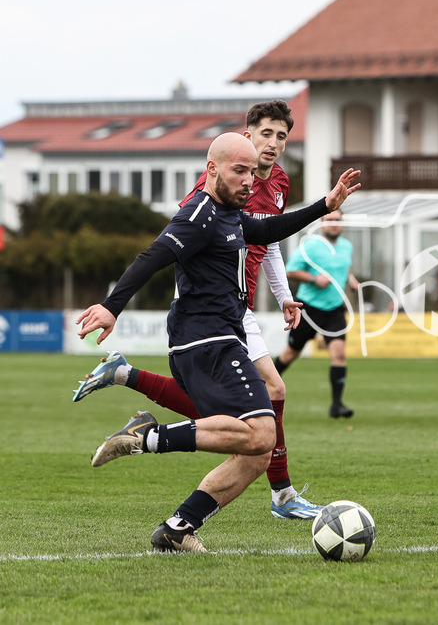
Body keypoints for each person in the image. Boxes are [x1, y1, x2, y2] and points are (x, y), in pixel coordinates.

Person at [75, 132, 361, 553]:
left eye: (252, 172)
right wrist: (111, 306)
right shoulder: (199, 214)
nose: (249, 180)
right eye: (239, 171)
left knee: (257, 451)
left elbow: (268, 228)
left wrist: (325, 205)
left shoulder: (231, 213)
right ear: (212, 169)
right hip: (205, 340)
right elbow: (152, 256)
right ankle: (146, 436)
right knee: (261, 431)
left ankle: (176, 530)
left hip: (219, 338)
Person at [273, 210, 360, 418]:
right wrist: (314, 279)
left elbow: (345, 268)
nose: (334, 223)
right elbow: (289, 271)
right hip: (309, 309)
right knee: (290, 354)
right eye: (329, 220)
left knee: (339, 354)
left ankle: (337, 405)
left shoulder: (347, 246)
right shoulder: (310, 245)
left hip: (335, 309)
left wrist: (351, 279)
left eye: (337, 220)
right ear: (321, 223)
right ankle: (263, 388)